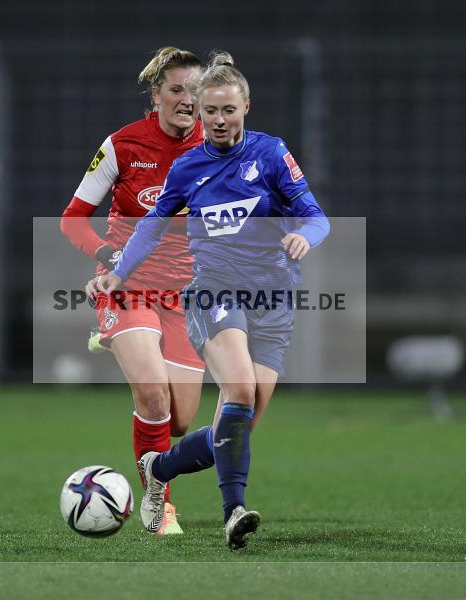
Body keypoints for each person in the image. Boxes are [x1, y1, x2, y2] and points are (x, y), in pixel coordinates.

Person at [87, 51, 330, 549]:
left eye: (229, 110)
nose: (219, 120)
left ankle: (160, 469)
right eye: (211, 110)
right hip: (214, 292)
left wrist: (305, 235)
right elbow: (150, 229)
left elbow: (316, 216)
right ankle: (234, 512)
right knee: (238, 390)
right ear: (200, 111)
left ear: (246, 108)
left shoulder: (271, 154)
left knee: (236, 427)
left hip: (273, 301)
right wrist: (117, 273)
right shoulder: (188, 167)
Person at [60, 47, 207, 535]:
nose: (187, 100)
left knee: (179, 421)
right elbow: (73, 220)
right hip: (129, 286)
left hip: (186, 296)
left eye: (195, 90)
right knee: (152, 396)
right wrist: (109, 259)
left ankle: (123, 349)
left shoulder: (219, 147)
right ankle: (160, 506)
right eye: (177, 90)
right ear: (156, 94)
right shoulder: (123, 145)